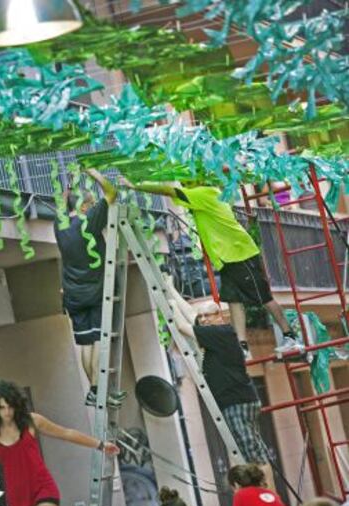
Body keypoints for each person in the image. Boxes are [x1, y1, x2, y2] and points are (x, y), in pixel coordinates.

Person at [122, 179, 299, 359]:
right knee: (234, 301)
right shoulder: (210, 193)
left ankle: (290, 336)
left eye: (185, 181)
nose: (182, 184)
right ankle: (242, 347)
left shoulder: (203, 193)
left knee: (264, 297)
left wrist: (135, 185)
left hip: (239, 255)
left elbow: (168, 191)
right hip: (228, 258)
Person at [166, 278, 274, 487]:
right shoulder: (216, 333)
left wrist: (170, 305)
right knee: (249, 451)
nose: (204, 319)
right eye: (203, 316)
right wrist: (171, 289)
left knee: (254, 456)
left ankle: (267, 495)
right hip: (237, 399)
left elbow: (182, 325)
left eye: (209, 315)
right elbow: (191, 315)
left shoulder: (221, 332)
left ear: (220, 316)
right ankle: (263, 493)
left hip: (236, 402)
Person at [54, 168, 125, 407]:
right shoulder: (90, 220)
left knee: (85, 343)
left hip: (73, 295)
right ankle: (97, 388)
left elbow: (64, 200)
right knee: (97, 341)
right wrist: (91, 172)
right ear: (84, 206)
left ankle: (94, 392)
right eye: (91, 203)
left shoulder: (59, 224)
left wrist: (72, 180)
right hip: (95, 292)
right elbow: (112, 192)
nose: (95, 205)